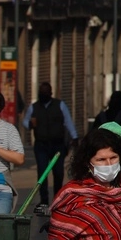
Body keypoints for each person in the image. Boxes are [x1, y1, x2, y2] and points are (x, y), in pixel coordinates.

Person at [23, 82, 78, 214]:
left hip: (57, 144)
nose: (44, 94)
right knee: (42, 172)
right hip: (41, 144)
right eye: (42, 92)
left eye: (46, 92)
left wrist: (74, 137)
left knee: (58, 173)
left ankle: (57, 198)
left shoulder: (60, 105)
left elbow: (68, 121)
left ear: (51, 93)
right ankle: (44, 200)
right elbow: (25, 122)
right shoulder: (34, 107)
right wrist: (30, 123)